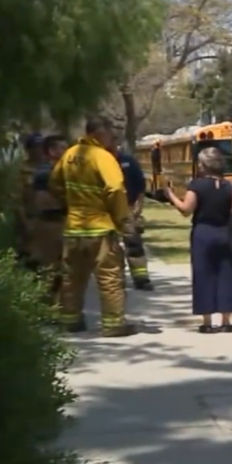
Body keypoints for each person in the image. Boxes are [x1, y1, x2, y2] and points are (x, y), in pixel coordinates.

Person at [50, 117, 137, 337]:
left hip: (73, 228)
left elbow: (54, 183)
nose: (112, 139)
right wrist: (123, 220)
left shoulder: (69, 155)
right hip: (100, 228)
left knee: (72, 277)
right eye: (110, 134)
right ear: (99, 133)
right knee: (109, 277)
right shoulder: (102, 157)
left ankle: (71, 320)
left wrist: (69, 202)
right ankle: (114, 324)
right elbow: (116, 188)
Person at [165, 147, 232, 333]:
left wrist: (171, 195)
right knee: (227, 274)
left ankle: (207, 321)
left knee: (204, 274)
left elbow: (186, 210)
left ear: (204, 165)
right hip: (225, 233)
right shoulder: (231, 186)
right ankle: (226, 321)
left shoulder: (197, 186)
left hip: (203, 233)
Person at [28, 135, 70, 299]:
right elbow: (43, 202)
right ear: (52, 151)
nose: (66, 152)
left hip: (64, 222)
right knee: (50, 268)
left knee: (66, 269)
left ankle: (63, 307)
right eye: (62, 148)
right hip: (51, 224)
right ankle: (48, 307)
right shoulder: (45, 173)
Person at [109, 142, 154, 291]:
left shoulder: (129, 162)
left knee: (134, 244)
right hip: (108, 210)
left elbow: (140, 186)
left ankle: (141, 278)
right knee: (111, 247)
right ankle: (116, 279)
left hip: (128, 209)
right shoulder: (100, 162)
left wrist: (138, 208)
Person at [16, 132, 45, 266]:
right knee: (32, 259)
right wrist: (25, 222)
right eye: (35, 147)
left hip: (51, 221)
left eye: (41, 146)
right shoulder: (21, 171)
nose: (38, 150)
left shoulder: (51, 168)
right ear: (28, 150)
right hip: (31, 219)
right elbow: (17, 199)